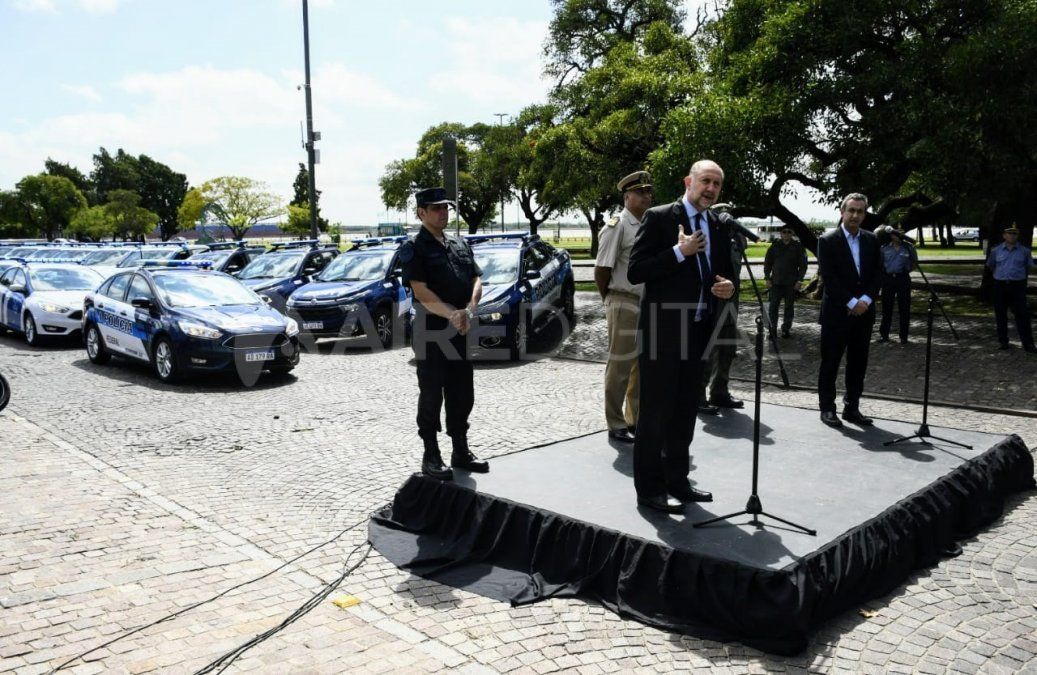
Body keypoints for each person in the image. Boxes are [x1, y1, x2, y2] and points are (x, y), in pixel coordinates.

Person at [627, 160, 736, 514]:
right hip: (662, 331)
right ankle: (650, 491)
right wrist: (679, 252)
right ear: (689, 181)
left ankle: (678, 480)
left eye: (717, 184)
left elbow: (722, 274)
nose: (710, 189)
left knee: (686, 410)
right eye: (705, 181)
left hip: (699, 329)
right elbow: (636, 271)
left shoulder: (717, 225)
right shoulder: (660, 217)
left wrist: (727, 287)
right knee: (655, 413)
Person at [399, 187, 489, 480]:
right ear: (421, 212)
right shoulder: (415, 247)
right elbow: (420, 290)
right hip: (432, 330)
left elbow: (476, 278)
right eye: (436, 208)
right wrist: (452, 313)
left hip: (460, 327)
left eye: (446, 208)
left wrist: (469, 311)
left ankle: (460, 450)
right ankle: (431, 454)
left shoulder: (459, 244)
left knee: (462, 391)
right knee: (431, 392)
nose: (443, 212)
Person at [595, 171, 652, 443]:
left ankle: (635, 418)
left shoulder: (647, 224)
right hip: (623, 299)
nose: (646, 196)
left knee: (640, 366)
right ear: (627, 196)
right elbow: (602, 268)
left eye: (648, 192)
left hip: (644, 301)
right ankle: (615, 422)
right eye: (640, 192)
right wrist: (609, 298)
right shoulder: (616, 225)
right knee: (619, 365)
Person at [816, 193, 882, 428]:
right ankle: (827, 408)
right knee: (830, 362)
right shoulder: (827, 240)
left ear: (865, 214)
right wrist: (851, 302)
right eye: (851, 210)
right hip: (837, 313)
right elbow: (829, 278)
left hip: (864, 314)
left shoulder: (872, 240)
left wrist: (865, 300)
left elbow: (877, 274)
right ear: (842, 212)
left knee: (858, 363)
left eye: (860, 211)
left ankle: (852, 407)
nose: (855, 215)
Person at [697, 204, 747, 413]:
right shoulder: (708, 239)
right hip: (712, 302)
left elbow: (743, 247)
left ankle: (720, 392)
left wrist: (733, 229)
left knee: (728, 350)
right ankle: (698, 397)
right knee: (707, 351)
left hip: (730, 302)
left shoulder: (734, 241)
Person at [987, 224, 1036, 353]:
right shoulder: (995, 250)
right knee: (1000, 315)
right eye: (1009, 233)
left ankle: (1028, 344)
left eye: (1014, 234)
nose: (1012, 236)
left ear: (1017, 236)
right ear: (1004, 236)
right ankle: (1003, 342)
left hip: (1017, 286)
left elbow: (1028, 267)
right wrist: (1000, 276)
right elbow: (991, 266)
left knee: (1022, 315)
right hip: (1000, 286)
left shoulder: (1025, 251)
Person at [763, 224, 808, 339]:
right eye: (784, 231)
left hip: (791, 283)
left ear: (792, 233)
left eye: (789, 231)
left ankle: (785, 329)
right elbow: (767, 263)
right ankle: (772, 330)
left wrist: (799, 281)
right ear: (780, 233)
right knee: (773, 307)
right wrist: (767, 278)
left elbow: (803, 266)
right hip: (776, 283)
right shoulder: (774, 246)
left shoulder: (798, 247)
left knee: (789, 307)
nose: (786, 233)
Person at [878, 226, 918, 344]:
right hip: (888, 280)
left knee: (904, 308)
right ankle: (884, 335)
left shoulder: (908, 248)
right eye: (896, 235)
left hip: (903, 279)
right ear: (891, 236)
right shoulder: (884, 249)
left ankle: (904, 337)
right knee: (887, 308)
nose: (898, 237)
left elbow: (914, 263)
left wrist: (906, 271)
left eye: (900, 234)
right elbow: (880, 264)